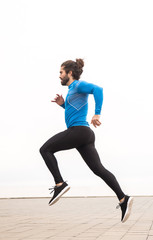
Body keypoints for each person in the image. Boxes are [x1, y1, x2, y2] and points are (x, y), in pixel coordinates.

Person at [39, 58, 133, 223]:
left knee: (45, 149)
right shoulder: (72, 90)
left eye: (61, 72)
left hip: (79, 132)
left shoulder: (78, 85)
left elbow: (98, 89)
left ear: (70, 73)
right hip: (84, 135)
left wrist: (97, 113)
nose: (59, 76)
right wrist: (63, 105)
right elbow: (75, 109)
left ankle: (59, 184)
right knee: (98, 169)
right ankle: (123, 198)